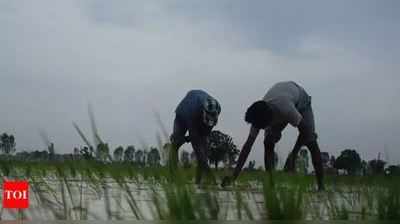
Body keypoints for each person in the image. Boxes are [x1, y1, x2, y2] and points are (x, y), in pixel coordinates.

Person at [221, 81, 324, 191]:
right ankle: (271, 184)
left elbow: (305, 131)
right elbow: (247, 146)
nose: (262, 130)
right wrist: (234, 176)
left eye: (264, 127)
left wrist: (293, 155)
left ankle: (321, 186)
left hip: (302, 104)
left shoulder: (286, 109)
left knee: (311, 140)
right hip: (281, 101)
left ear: (271, 120)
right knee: (268, 142)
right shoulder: (259, 115)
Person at [170, 90, 221, 184]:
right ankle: (173, 178)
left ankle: (198, 181)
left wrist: (189, 138)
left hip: (197, 113)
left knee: (204, 150)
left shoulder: (217, 108)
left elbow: (204, 133)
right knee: (175, 144)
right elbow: (195, 142)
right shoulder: (193, 112)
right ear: (203, 112)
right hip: (182, 116)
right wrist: (182, 138)